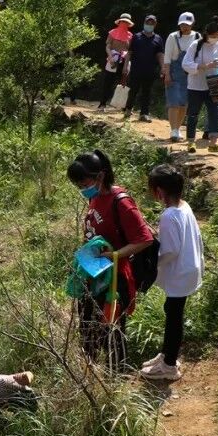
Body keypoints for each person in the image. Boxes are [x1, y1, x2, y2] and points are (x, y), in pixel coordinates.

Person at [67, 150, 154, 372]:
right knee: (87, 326)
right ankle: (90, 374)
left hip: (115, 278)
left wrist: (115, 255)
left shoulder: (121, 203)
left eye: (84, 182)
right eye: (78, 185)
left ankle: (117, 378)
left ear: (101, 176)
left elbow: (144, 239)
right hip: (93, 273)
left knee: (112, 329)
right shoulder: (94, 197)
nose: (82, 189)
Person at [141, 165, 203, 381]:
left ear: (159, 191)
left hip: (180, 273)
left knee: (174, 317)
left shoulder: (168, 215)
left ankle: (169, 366)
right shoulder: (184, 207)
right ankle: (167, 354)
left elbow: (171, 251)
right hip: (189, 268)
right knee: (172, 311)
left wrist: (152, 263)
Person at [181, 18, 218, 154]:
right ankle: (191, 142)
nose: (215, 38)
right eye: (212, 36)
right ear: (206, 34)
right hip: (196, 85)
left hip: (215, 83)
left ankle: (213, 143)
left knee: (216, 113)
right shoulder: (196, 45)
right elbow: (185, 64)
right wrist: (203, 66)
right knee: (193, 114)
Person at [162, 12, 198, 142]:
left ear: (192, 24)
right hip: (174, 72)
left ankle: (178, 127)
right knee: (173, 102)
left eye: (187, 24)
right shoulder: (173, 37)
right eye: (182, 24)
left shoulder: (198, 37)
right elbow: (167, 58)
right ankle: (173, 129)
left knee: (184, 103)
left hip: (191, 74)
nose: (185, 27)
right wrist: (167, 74)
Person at [123, 14, 164, 122]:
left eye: (152, 23)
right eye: (148, 22)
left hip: (150, 70)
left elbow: (160, 54)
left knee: (147, 91)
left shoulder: (158, 39)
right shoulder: (136, 36)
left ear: (155, 24)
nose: (149, 24)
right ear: (144, 23)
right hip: (136, 69)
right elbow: (129, 53)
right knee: (133, 90)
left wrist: (163, 67)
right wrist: (126, 66)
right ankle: (128, 109)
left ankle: (144, 113)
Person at [97, 13, 134, 109]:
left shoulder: (130, 35)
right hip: (113, 59)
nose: (124, 23)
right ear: (119, 22)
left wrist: (126, 64)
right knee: (108, 82)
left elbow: (129, 50)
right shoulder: (112, 32)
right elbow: (108, 46)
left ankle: (123, 105)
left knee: (124, 83)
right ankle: (102, 104)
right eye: (123, 21)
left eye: (126, 22)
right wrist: (110, 56)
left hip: (124, 60)